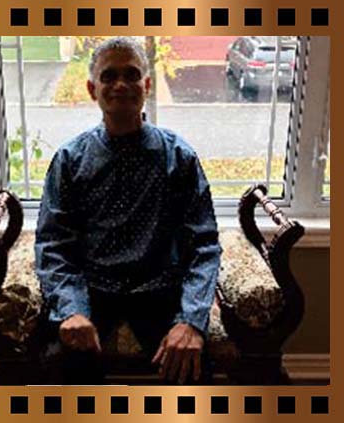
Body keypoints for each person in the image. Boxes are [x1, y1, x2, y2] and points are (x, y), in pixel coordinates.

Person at [35, 37, 221, 385]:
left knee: (191, 373)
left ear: (147, 85)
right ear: (92, 89)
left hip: (161, 290)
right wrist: (71, 309)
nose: (120, 84)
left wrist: (191, 320)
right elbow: (53, 245)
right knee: (58, 369)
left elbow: (205, 246)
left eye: (131, 75)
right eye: (109, 76)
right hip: (92, 289)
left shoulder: (178, 158)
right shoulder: (70, 160)